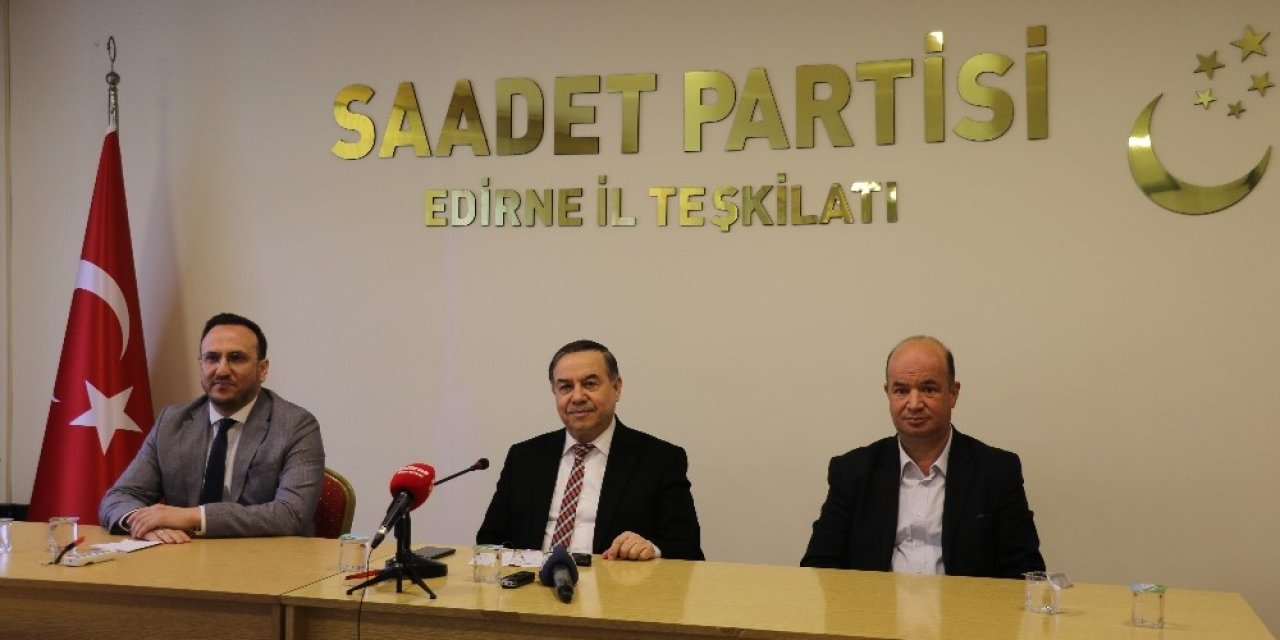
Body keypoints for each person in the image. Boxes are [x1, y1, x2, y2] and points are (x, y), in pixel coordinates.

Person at [800, 336, 1045, 578]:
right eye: (901, 390)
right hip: (875, 604)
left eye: (928, 389)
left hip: (964, 605)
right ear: (888, 394)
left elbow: (1025, 573)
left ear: (953, 393)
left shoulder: (997, 471)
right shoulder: (851, 472)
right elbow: (819, 567)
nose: (914, 404)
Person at [99, 313, 325, 543]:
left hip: (265, 559)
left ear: (262, 369)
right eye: (212, 358)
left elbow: (292, 514)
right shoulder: (172, 422)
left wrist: (192, 517)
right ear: (201, 365)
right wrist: (144, 526)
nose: (222, 370)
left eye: (236, 358)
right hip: (181, 557)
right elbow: (119, 497)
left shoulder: (296, 425)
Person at [477, 340, 704, 561]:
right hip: (534, 583)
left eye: (590, 384)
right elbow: (489, 541)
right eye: (566, 387)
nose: (577, 397)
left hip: (616, 584)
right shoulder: (524, 457)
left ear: (617, 388)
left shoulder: (660, 460)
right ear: (555, 392)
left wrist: (651, 548)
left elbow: (687, 548)